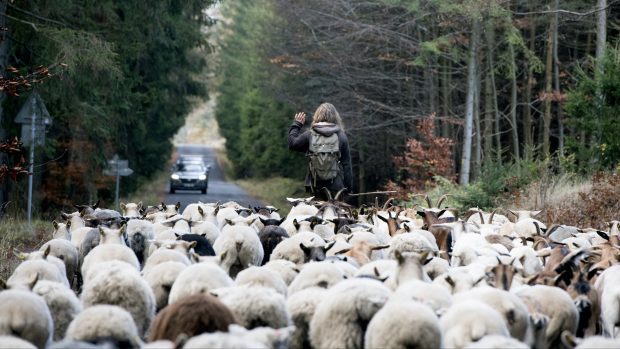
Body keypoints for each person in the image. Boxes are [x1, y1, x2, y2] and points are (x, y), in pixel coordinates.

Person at [288, 102, 353, 200]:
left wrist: (296, 125)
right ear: (335, 117)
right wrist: (348, 188)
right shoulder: (341, 136)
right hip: (336, 187)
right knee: (335, 214)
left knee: (317, 213)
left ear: (317, 116)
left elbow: (292, 144)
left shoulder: (309, 135)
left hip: (314, 187)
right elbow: (347, 165)